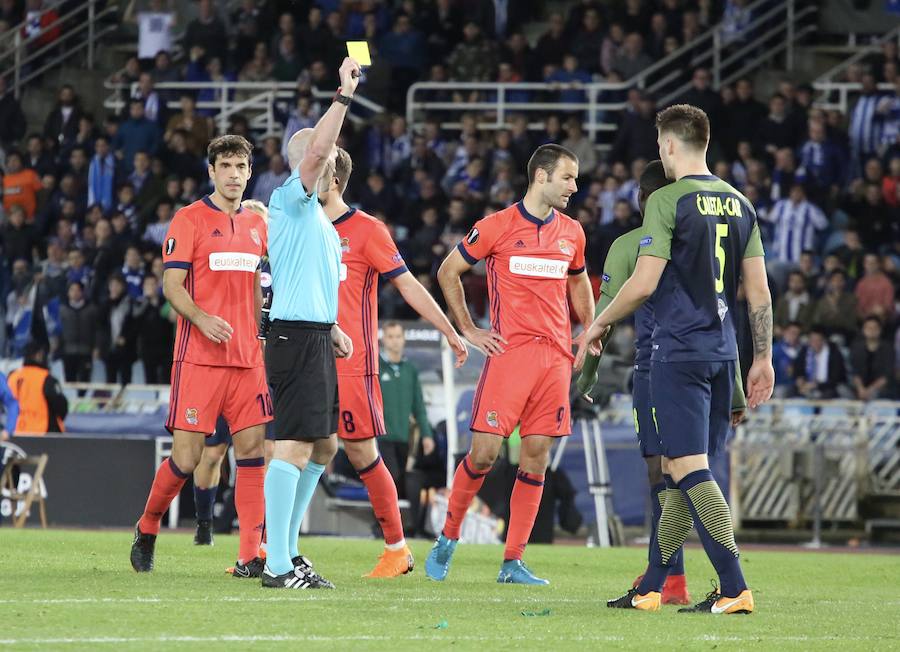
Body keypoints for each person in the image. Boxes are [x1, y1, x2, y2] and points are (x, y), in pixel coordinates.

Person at [579, 104, 773, 614]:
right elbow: (759, 293)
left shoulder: (666, 200)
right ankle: (652, 587)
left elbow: (643, 284)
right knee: (676, 472)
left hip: (678, 351)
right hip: (723, 352)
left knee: (686, 469)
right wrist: (763, 359)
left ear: (668, 145)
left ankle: (734, 587)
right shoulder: (740, 203)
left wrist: (598, 323)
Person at [427, 144, 595, 585]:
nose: (574, 187)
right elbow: (448, 271)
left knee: (537, 457)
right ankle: (447, 537)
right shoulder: (497, 226)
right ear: (541, 176)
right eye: (568, 177)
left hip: (555, 359)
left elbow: (578, 282)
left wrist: (590, 327)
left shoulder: (572, 233)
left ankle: (512, 561)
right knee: (483, 456)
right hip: (509, 356)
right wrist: (469, 329)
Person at [310, 146, 466, 576]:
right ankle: (267, 547)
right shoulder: (302, 224)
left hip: (350, 362)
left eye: (314, 169)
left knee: (361, 452)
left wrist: (449, 329)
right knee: (289, 447)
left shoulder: (366, 230)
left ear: (334, 179)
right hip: (304, 358)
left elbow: (410, 286)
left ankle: (397, 548)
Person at [130, 135, 270, 580]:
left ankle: (251, 555)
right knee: (187, 460)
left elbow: (255, 286)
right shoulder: (188, 219)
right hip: (200, 359)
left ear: (250, 172)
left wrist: (260, 335)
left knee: (252, 452)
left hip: (247, 359)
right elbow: (172, 287)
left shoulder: (257, 225)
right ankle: (148, 525)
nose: (233, 174)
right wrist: (203, 319)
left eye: (241, 166)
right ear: (211, 171)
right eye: (225, 165)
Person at [260, 58, 359, 590]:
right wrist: (342, 96)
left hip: (313, 333)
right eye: (319, 159)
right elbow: (319, 149)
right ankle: (275, 564)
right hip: (294, 336)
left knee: (324, 447)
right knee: (295, 446)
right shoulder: (291, 199)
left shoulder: (315, 217)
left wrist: (334, 326)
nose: (327, 163)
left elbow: (308, 276)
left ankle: (289, 551)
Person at [379, 322, 435, 536]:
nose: (394, 340)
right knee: (388, 477)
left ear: (403, 339)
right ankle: (384, 527)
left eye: (397, 336)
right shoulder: (376, 367)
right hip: (380, 437)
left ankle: (413, 528)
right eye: (390, 336)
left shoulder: (410, 371)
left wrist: (427, 435)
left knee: (408, 480)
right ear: (384, 339)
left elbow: (418, 406)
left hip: (403, 439)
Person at [8, 342, 68, 436]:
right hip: (43, 433)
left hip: (15, 431)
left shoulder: (13, 377)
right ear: (39, 355)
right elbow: (61, 406)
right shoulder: (47, 378)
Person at [850, 317, 894, 401]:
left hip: (881, 390)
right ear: (863, 330)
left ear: (880, 330)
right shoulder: (856, 347)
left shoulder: (888, 348)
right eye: (868, 328)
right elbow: (855, 372)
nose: (872, 331)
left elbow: (887, 376)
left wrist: (870, 390)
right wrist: (861, 389)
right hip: (860, 389)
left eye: (875, 328)